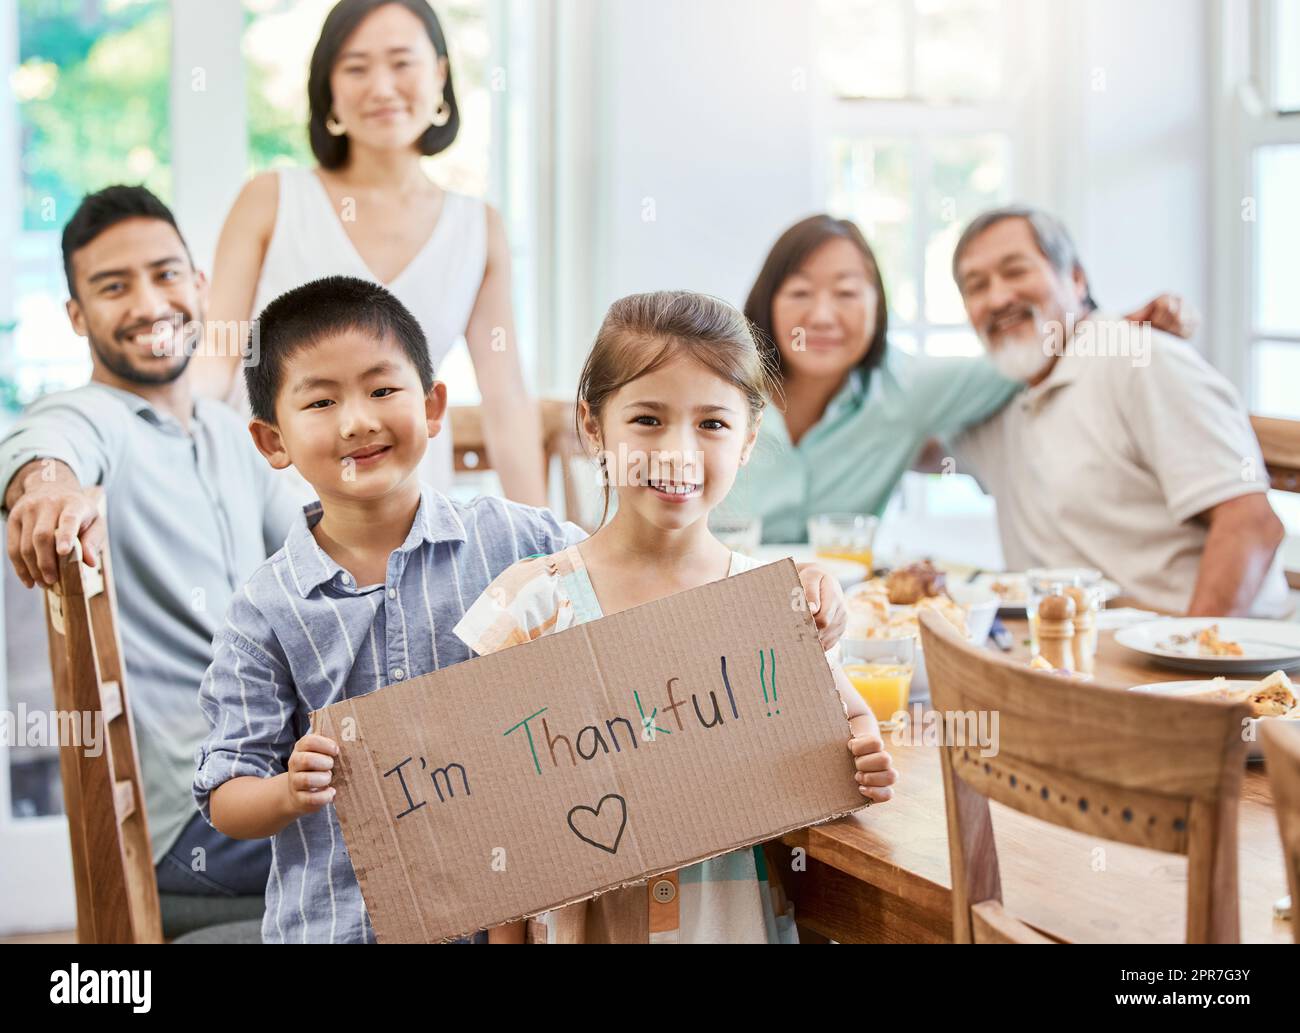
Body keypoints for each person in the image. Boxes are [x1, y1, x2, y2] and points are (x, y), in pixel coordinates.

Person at [191, 277, 849, 943]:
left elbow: (643, 572)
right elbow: (225, 794)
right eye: (322, 400)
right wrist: (287, 792)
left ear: (433, 405)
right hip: (339, 924)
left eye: (383, 389)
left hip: (500, 918)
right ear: (273, 441)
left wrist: (796, 585)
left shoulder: (519, 540)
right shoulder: (266, 610)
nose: (358, 418)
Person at [454, 291, 895, 944]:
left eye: (712, 424)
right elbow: (499, 817)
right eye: (649, 419)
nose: (678, 452)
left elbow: (848, 719)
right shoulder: (532, 603)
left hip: (730, 924)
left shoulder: (769, 602)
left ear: (747, 440)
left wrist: (863, 754)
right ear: (594, 427)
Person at [0, 185, 300, 896]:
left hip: (271, 776)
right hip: (194, 819)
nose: (147, 303)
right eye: (113, 286)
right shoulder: (91, 414)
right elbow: (44, 446)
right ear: (77, 316)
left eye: (165, 274)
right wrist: (45, 488)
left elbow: (323, 559)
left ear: (198, 286)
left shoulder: (231, 433)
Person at [195, 0, 546, 504]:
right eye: (356, 68)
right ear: (329, 92)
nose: (382, 88)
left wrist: (549, 549)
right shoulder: (271, 200)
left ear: (440, 75)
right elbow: (215, 360)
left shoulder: (478, 228)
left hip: (410, 501)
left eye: (402, 63)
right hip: (269, 498)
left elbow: (506, 398)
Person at [726, 214, 1198, 543]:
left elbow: (1029, 352)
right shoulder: (717, 386)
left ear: (877, 306)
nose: (824, 316)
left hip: (829, 615)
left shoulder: (908, 389)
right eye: (801, 292)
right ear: (768, 302)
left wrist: (1121, 326)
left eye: (847, 292)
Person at [949, 205, 1287, 617]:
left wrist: (1193, 660)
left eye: (1016, 271)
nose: (998, 297)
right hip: (1068, 659)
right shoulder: (997, 399)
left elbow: (1252, 523)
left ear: (1075, 279)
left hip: (1192, 659)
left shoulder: (1141, 359)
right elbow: (900, 432)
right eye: (976, 286)